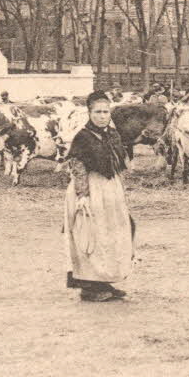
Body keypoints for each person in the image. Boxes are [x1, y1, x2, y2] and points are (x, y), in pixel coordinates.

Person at [64, 91, 135, 302]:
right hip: (90, 188)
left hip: (110, 189)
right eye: (97, 112)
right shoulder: (83, 136)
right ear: (89, 112)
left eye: (105, 112)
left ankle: (104, 281)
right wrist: (83, 195)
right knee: (91, 234)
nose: (102, 116)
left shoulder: (112, 134)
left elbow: (118, 162)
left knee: (111, 234)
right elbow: (77, 165)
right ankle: (89, 286)